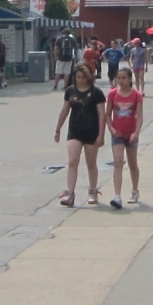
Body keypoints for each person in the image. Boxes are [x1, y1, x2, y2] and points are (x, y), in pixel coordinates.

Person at [53, 63, 105, 208]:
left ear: (89, 77)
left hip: (91, 131)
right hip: (74, 130)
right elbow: (65, 111)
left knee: (91, 162)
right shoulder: (70, 91)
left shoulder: (96, 93)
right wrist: (58, 129)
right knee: (72, 161)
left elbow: (102, 114)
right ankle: (70, 193)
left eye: (83, 77)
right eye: (78, 77)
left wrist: (101, 135)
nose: (81, 80)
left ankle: (93, 190)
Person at [105, 65, 144, 209]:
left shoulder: (136, 95)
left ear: (130, 79)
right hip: (117, 133)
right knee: (118, 162)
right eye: (119, 78)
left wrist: (136, 132)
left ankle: (134, 190)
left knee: (132, 163)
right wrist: (111, 128)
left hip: (131, 133)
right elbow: (107, 114)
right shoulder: (112, 94)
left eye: (124, 78)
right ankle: (117, 195)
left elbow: (139, 116)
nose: (121, 81)